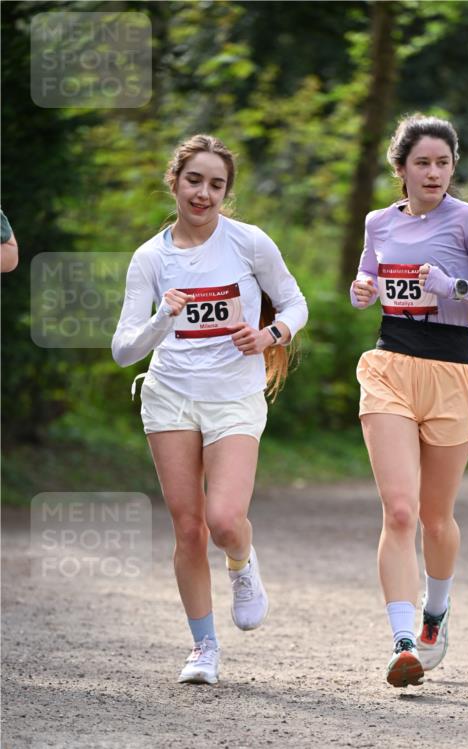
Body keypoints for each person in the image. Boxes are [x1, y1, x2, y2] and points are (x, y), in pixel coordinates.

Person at [112, 134, 307, 685]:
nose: (204, 193)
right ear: (174, 182)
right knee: (189, 528)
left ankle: (242, 564)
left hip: (233, 397)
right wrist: (161, 321)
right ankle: (204, 649)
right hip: (170, 396)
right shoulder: (150, 258)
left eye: (216, 184)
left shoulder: (248, 243)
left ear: (227, 192)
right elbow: (124, 348)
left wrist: (271, 334)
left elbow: (296, 302)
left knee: (224, 521)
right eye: (194, 180)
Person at [351, 114, 468, 688]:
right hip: (390, 367)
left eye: (444, 163)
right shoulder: (378, 222)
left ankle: (435, 615)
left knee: (434, 517)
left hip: (451, 372)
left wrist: (453, 286)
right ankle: (402, 641)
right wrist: (361, 288)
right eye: (422, 163)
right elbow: (367, 280)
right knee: (398, 511)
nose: (434, 173)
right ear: (400, 169)